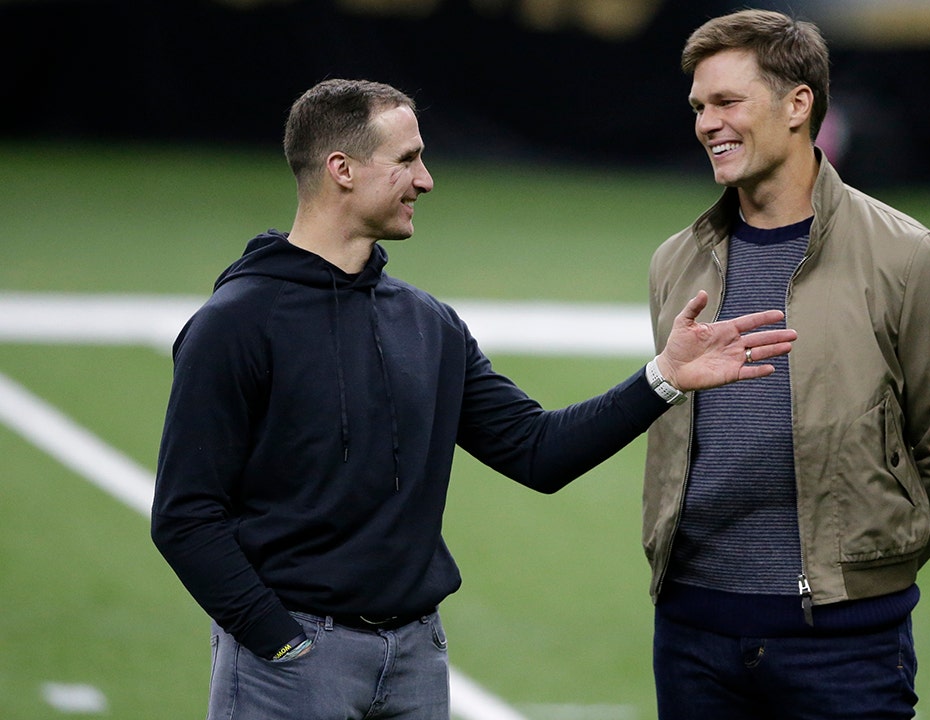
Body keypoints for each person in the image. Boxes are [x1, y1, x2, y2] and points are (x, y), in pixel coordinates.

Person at [150, 78, 797, 720]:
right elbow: (186, 517)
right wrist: (281, 642)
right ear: (341, 169)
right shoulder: (235, 324)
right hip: (292, 666)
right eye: (406, 160)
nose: (426, 180)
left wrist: (662, 377)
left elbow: (538, 453)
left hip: (415, 663)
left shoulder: (427, 323)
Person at [643, 9, 930, 719]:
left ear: (798, 104)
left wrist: (867, 563)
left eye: (728, 102)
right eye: (699, 107)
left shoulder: (910, 258)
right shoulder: (675, 260)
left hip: (844, 644)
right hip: (691, 634)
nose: (709, 123)